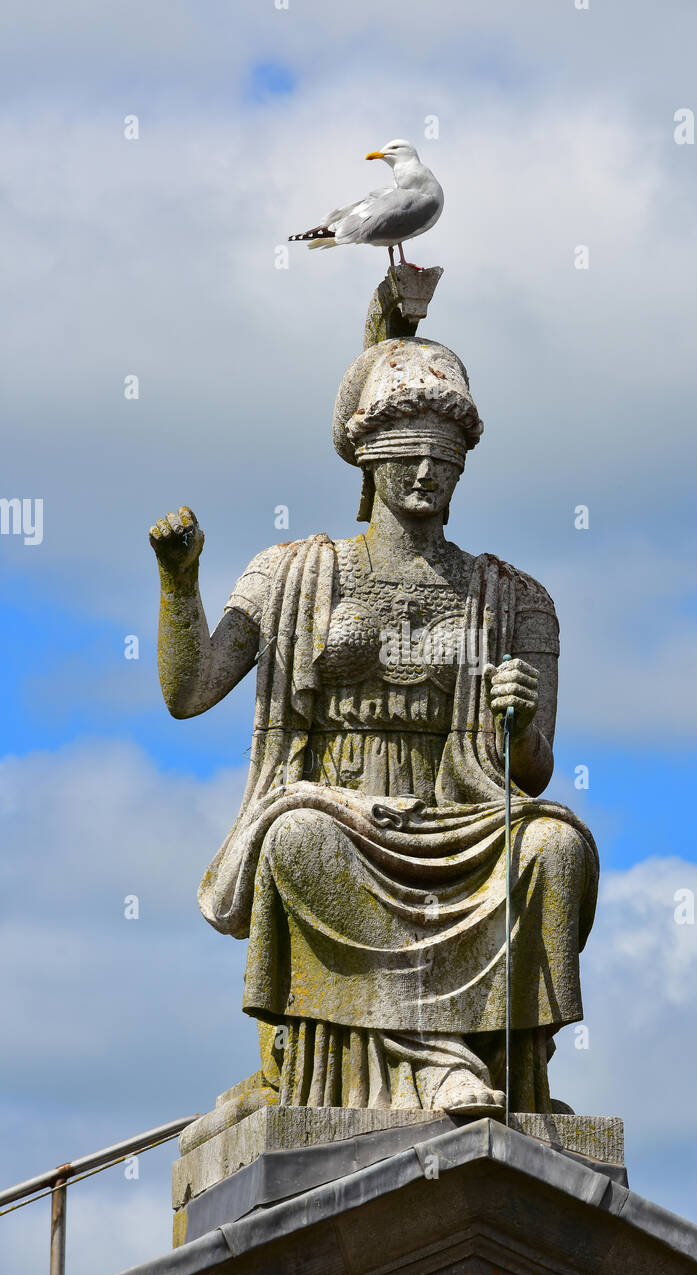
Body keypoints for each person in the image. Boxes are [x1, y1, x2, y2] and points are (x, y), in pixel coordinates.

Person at [149, 337, 598, 1116]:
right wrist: (177, 582)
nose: (425, 474)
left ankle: (511, 1075)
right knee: (295, 840)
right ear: (367, 461)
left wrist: (516, 721)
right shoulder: (293, 573)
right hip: (340, 812)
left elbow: (531, 772)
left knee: (553, 846)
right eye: (405, 456)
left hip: (460, 814)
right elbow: (189, 691)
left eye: (443, 460)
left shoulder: (516, 599)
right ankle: (438, 1064)